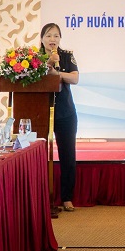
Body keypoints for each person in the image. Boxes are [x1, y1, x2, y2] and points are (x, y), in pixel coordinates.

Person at [40, 23, 80, 212]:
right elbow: (34, 77)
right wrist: (48, 63)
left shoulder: (66, 56)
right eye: (49, 35)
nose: (52, 39)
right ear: (42, 39)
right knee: (39, 155)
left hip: (65, 112)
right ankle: (41, 197)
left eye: (56, 36)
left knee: (67, 155)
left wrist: (58, 73)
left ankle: (67, 197)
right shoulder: (32, 58)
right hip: (40, 112)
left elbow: (75, 78)